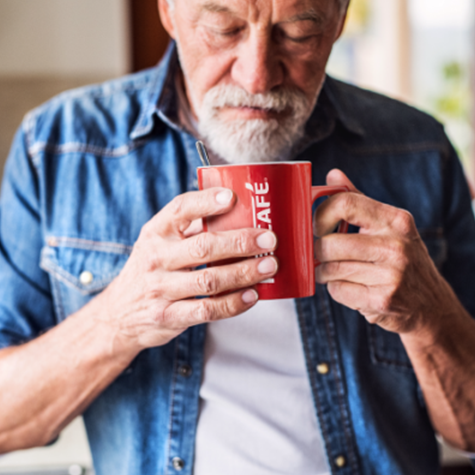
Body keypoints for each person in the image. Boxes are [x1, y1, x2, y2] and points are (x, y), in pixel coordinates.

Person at [0, 0, 474, 473]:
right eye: (223, 29)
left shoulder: (420, 149)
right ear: (168, 12)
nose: (257, 79)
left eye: (298, 33)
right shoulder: (59, 148)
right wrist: (117, 320)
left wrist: (428, 314)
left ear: (339, 21)